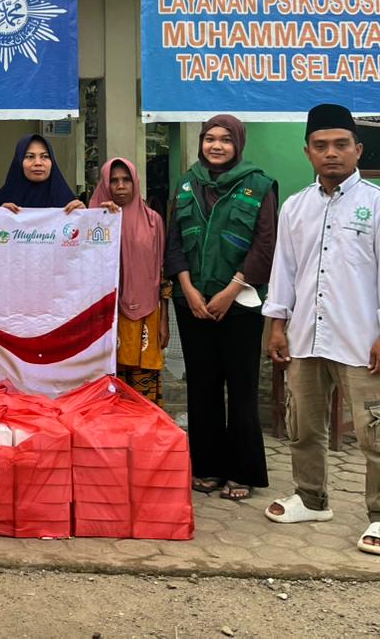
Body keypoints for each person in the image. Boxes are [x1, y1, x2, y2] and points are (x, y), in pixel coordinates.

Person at [264, 103, 380, 556]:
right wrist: (277, 326)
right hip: (306, 336)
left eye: (341, 145)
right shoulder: (296, 207)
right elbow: (284, 271)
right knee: (303, 425)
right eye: (321, 145)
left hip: (361, 340)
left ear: (358, 150)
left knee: (376, 433)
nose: (331, 153)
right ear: (307, 152)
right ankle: (311, 498)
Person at [167, 114, 276, 501]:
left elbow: (265, 245)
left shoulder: (260, 185)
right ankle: (207, 467)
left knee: (242, 389)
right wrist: (188, 288)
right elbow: (174, 242)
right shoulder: (186, 184)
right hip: (192, 303)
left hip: (240, 304)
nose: (216, 146)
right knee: (202, 386)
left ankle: (242, 472)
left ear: (238, 144)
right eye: (209, 138)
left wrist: (231, 290)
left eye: (225, 139)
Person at [91, 158, 169, 405]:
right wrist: (99, 218)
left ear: (135, 182)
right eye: (113, 181)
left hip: (146, 316)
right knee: (107, 391)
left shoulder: (153, 221)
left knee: (142, 394)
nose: (121, 186)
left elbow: (162, 271)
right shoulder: (93, 220)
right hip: (105, 318)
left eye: (126, 180)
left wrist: (164, 319)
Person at [0, 134, 76, 211]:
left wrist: (80, 213)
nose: (38, 163)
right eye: (30, 156)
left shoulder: (67, 200)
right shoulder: (3, 200)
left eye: (45, 156)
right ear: (19, 162)